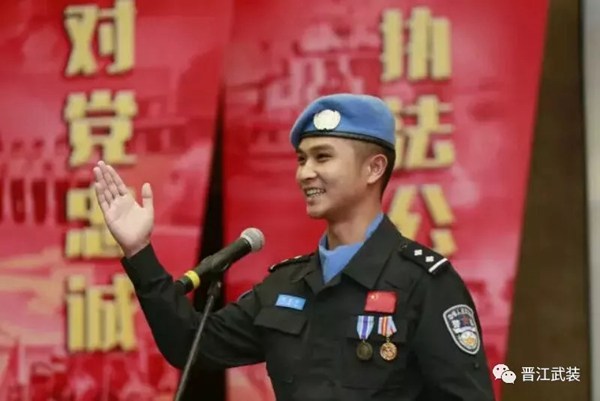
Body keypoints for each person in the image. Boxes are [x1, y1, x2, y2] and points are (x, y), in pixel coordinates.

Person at [93, 93, 495, 401]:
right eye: (301, 159)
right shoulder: (286, 285)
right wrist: (139, 250)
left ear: (374, 168)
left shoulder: (424, 283)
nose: (305, 173)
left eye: (322, 157)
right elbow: (190, 345)